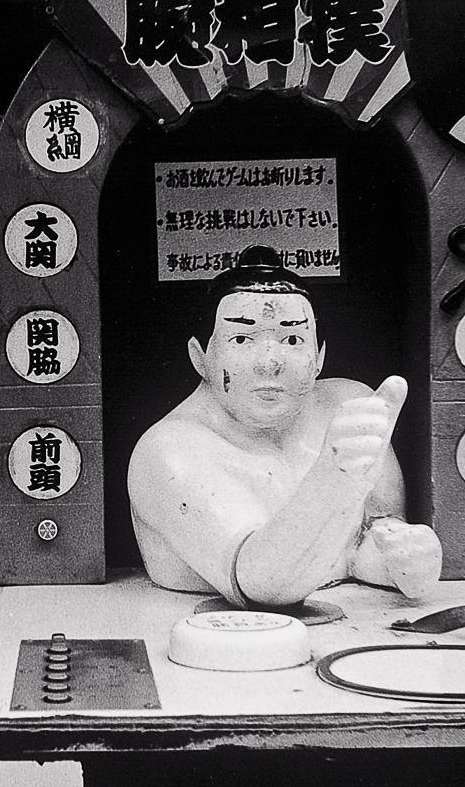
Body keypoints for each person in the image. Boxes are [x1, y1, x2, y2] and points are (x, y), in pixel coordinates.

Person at [127, 245, 442, 608]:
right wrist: (335, 479)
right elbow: (261, 583)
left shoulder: (345, 405)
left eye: (292, 339)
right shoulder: (169, 451)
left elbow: (361, 544)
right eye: (242, 339)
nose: (269, 363)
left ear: (319, 355)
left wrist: (402, 559)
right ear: (201, 356)